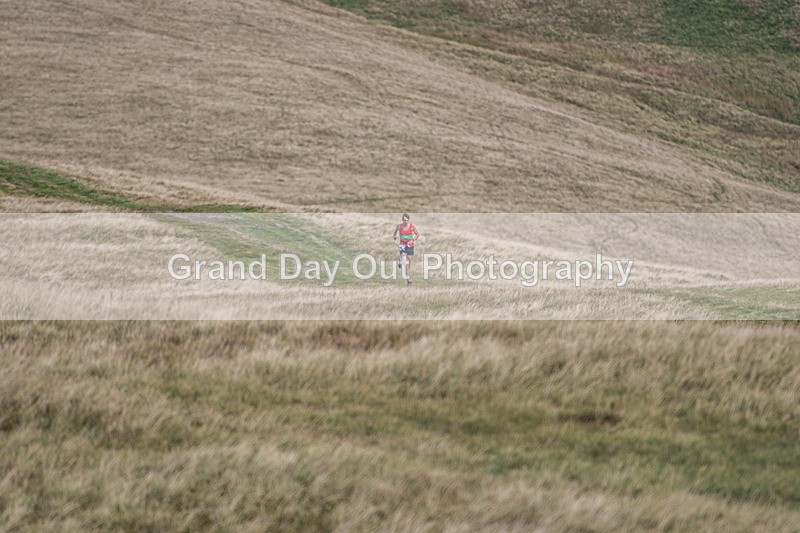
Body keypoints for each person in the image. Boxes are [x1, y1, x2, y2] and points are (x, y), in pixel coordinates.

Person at [392, 212, 420, 285]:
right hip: (402, 245)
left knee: (409, 260)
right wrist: (394, 236)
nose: (406, 221)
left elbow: (418, 234)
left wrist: (413, 239)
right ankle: (401, 262)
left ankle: (408, 278)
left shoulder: (412, 226)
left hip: (410, 245)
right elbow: (394, 233)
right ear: (402, 220)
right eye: (404, 220)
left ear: (409, 220)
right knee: (405, 261)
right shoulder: (399, 226)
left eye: (407, 220)